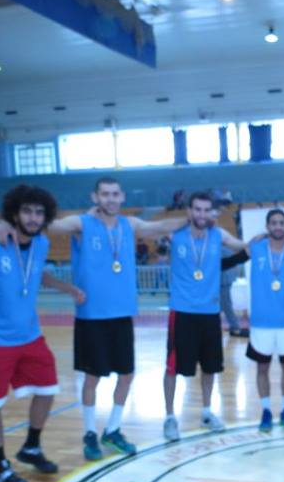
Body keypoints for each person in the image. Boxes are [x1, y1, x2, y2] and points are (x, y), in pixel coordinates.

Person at [26, 177, 185, 461]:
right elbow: (51, 225)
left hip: (122, 314)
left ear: (122, 197)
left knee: (126, 375)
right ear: (95, 197)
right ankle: (89, 432)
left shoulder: (129, 224)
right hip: (92, 315)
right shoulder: (82, 223)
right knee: (93, 377)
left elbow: (159, 226)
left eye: (115, 194)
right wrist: (19, 218)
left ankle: (112, 429)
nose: (110, 199)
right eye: (105, 194)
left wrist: (191, 218)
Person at [0, 185, 84, 482]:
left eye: (39, 212)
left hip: (30, 335)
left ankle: (31, 446)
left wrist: (68, 288)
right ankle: (0, 466)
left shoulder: (42, 243)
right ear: (13, 212)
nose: (33, 218)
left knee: (48, 389)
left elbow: (36, 274)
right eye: (26, 211)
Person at [162, 192, 251, 441]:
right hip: (182, 312)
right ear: (189, 211)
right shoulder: (175, 234)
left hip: (210, 313)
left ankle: (206, 412)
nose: (202, 214)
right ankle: (169, 417)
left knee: (210, 367)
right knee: (172, 368)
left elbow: (241, 246)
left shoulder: (218, 235)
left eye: (206, 210)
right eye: (197, 209)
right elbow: (152, 233)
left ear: (212, 212)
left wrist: (260, 241)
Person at [246, 209, 284, 431]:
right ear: (267, 226)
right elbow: (239, 247)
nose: (278, 227)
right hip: (261, 322)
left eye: (282, 223)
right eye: (273, 223)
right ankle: (265, 411)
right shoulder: (256, 247)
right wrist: (256, 237)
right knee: (262, 368)